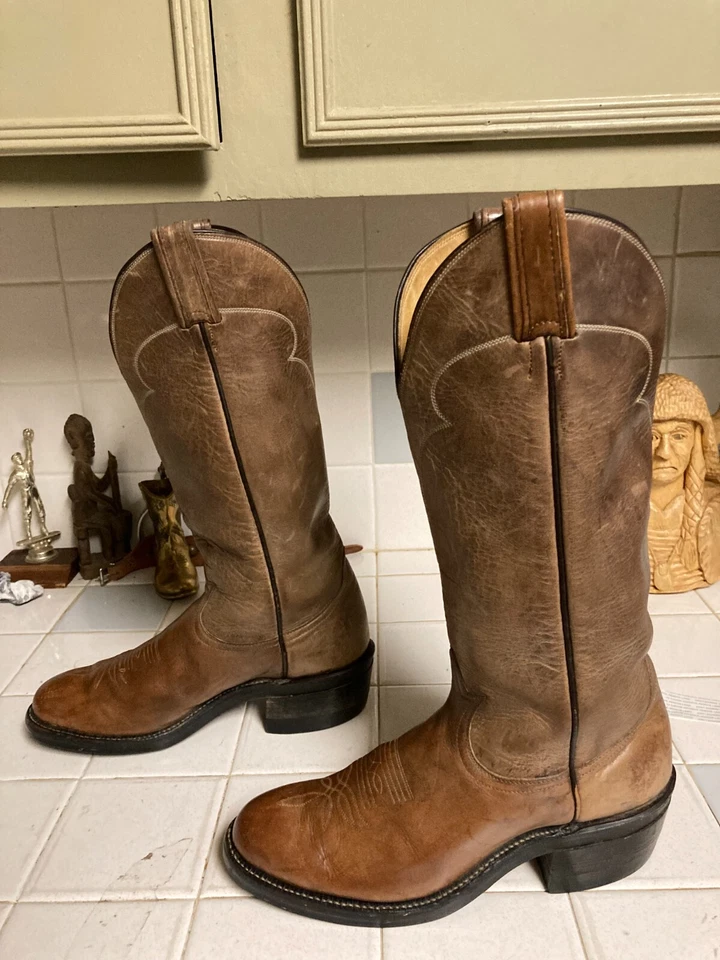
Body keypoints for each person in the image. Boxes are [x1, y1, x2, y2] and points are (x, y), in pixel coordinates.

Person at [649, 373, 720, 592]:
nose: (664, 453)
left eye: (679, 436)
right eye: (652, 436)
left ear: (698, 441)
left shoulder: (713, 509)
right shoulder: (609, 512)